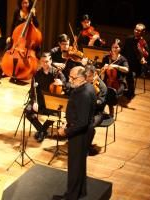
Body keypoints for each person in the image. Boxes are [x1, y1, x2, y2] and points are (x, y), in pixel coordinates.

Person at [55, 66, 96, 200]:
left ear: (83, 78)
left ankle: (71, 197)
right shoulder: (86, 87)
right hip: (81, 131)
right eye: (70, 77)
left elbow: (82, 122)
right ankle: (80, 191)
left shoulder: (84, 93)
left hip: (80, 134)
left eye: (73, 78)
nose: (70, 80)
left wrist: (65, 131)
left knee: (74, 166)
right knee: (79, 165)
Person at [25, 52, 66, 142]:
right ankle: (42, 130)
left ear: (51, 61)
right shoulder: (37, 74)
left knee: (55, 114)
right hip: (40, 100)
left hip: (52, 102)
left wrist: (61, 83)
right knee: (27, 111)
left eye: (47, 61)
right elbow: (33, 90)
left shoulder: (57, 72)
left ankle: (42, 131)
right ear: (40, 62)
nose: (45, 64)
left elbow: (66, 83)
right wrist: (34, 101)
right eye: (43, 61)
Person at [101, 39, 129, 116]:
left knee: (111, 92)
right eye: (113, 47)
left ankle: (111, 109)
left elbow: (126, 70)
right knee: (100, 90)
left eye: (116, 47)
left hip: (119, 82)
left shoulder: (122, 59)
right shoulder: (106, 57)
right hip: (107, 80)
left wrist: (116, 66)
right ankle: (100, 110)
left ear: (120, 49)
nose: (114, 49)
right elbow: (101, 71)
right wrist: (104, 68)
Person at [121, 23, 149, 99]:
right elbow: (122, 52)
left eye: (139, 31)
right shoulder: (128, 39)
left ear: (143, 32)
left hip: (137, 67)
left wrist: (142, 59)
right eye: (136, 29)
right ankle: (118, 89)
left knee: (129, 74)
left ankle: (131, 92)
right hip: (126, 63)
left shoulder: (143, 43)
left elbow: (146, 56)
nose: (137, 32)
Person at [85, 64, 106, 155]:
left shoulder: (102, 87)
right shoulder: (84, 82)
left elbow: (100, 103)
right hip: (84, 110)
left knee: (90, 126)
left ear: (95, 74)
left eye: (89, 76)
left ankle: (86, 148)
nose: (87, 79)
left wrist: (92, 100)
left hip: (97, 112)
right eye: (86, 76)